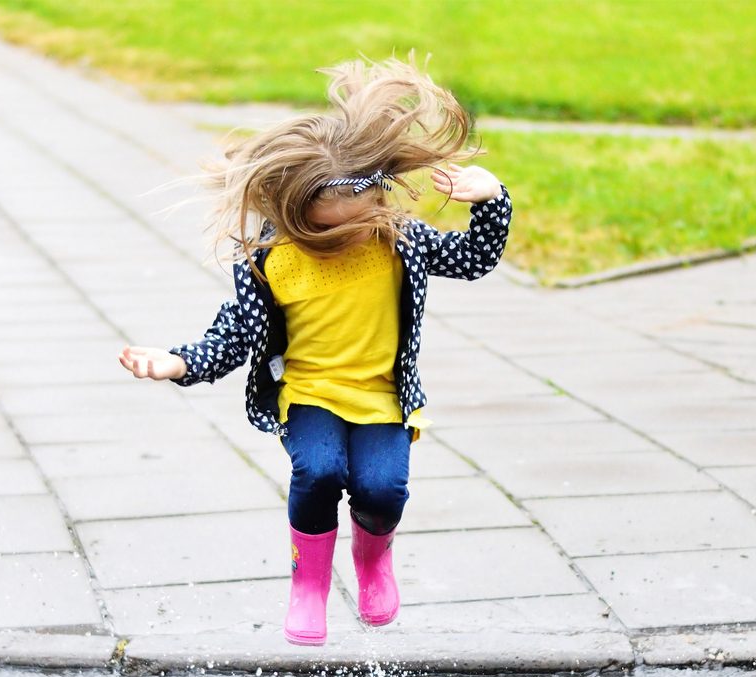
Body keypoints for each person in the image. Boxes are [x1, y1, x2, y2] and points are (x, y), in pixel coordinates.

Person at [117, 57, 512, 646]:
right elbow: (234, 333)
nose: (347, 241)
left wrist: (492, 197)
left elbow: (475, 259)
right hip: (309, 394)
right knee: (319, 470)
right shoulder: (270, 262)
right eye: (328, 236)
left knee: (383, 489)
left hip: (382, 396)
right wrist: (179, 363)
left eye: (358, 226)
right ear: (296, 220)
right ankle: (309, 583)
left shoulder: (400, 242)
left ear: (379, 202)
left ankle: (373, 560)